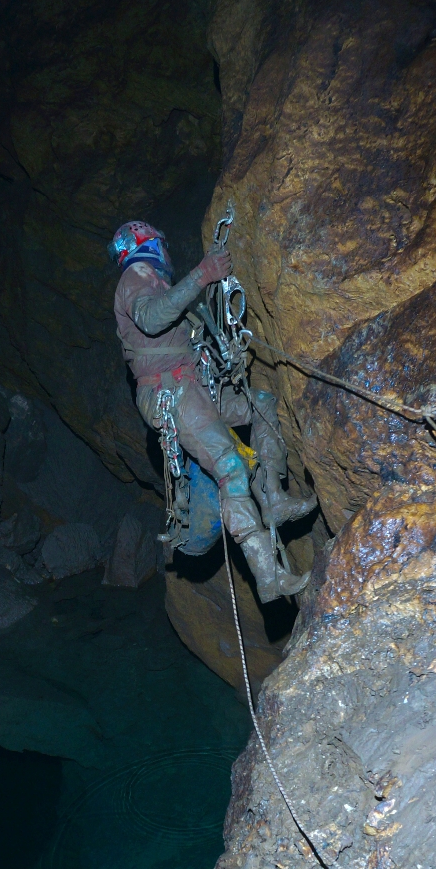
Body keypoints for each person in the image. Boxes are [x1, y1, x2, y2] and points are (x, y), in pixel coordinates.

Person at [111, 220, 315, 602]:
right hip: (171, 391)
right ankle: (269, 577)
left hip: (193, 385)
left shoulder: (150, 279)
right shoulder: (136, 276)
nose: (166, 253)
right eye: (161, 245)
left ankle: (272, 496)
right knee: (230, 466)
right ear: (149, 245)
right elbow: (152, 318)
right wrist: (202, 275)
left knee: (262, 404)